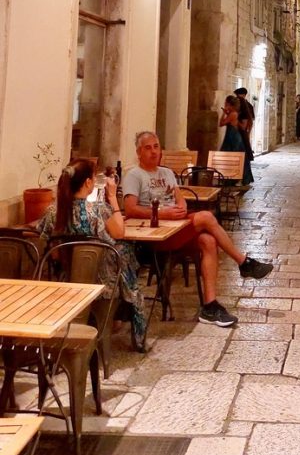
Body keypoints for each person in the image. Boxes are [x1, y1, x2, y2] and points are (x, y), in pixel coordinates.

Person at [123, 131, 272, 327]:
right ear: (138, 152)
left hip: (177, 227)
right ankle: (243, 262)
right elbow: (130, 209)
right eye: (147, 148)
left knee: (208, 241)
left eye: (156, 146)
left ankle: (210, 306)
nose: (153, 151)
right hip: (157, 234)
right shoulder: (134, 175)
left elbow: (179, 197)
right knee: (207, 217)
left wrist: (182, 205)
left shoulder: (166, 173)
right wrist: (162, 215)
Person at [39, 159, 148, 352]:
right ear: (89, 183)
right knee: (125, 253)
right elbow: (119, 232)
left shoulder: (53, 212)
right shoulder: (98, 210)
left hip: (67, 281)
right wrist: (113, 196)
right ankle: (121, 322)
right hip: (102, 284)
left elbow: (50, 248)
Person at [221, 94, 253, 185]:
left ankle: (236, 178)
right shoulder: (234, 114)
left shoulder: (238, 114)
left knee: (236, 156)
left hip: (235, 136)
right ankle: (231, 178)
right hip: (233, 135)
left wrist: (227, 115)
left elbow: (243, 126)